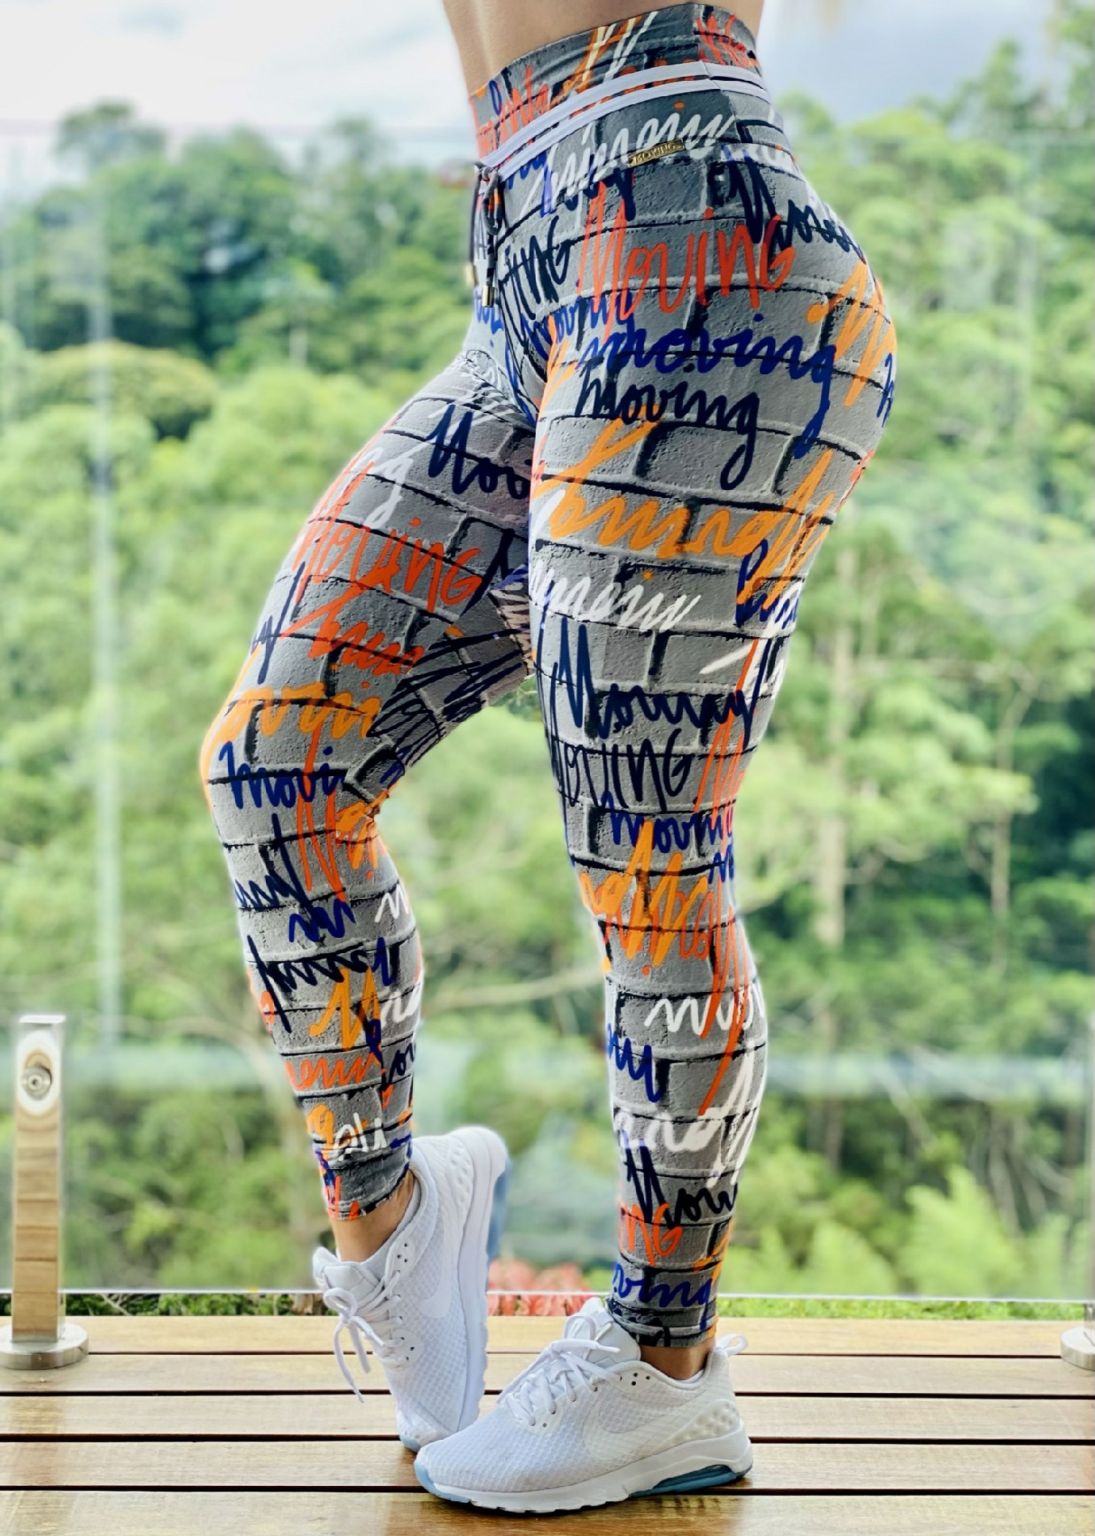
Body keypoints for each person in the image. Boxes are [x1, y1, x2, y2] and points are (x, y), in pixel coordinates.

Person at [199, 0, 897, 1513]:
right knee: (276, 765)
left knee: (646, 839)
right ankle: (397, 1227)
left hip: (697, 241)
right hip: (524, 268)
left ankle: (665, 1360)